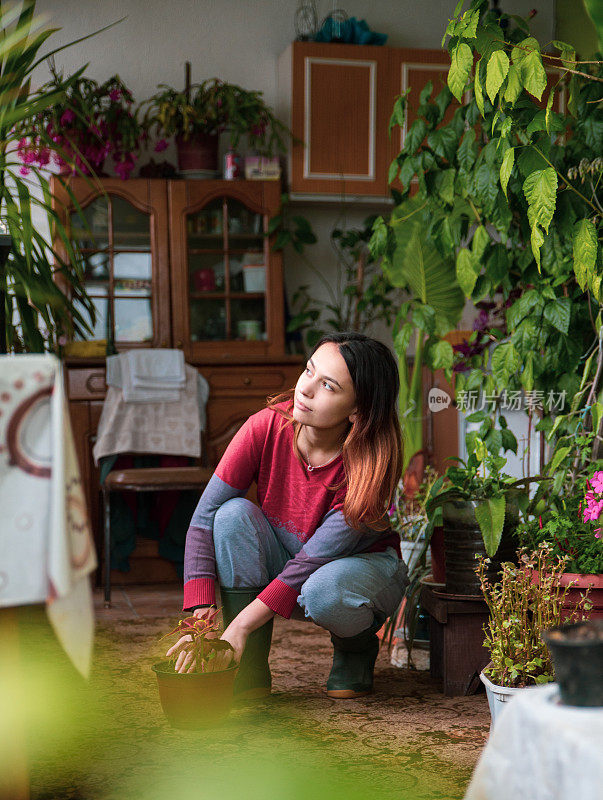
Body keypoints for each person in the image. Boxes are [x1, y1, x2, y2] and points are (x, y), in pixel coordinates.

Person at [166, 332, 408, 699]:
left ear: (357, 410)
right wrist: (199, 615)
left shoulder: (371, 469)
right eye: (308, 371)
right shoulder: (265, 426)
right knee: (231, 515)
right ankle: (248, 666)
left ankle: (356, 649)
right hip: (293, 561)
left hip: (358, 573)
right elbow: (204, 519)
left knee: (323, 590)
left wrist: (241, 625)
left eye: (328, 385)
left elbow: (310, 564)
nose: (305, 390)